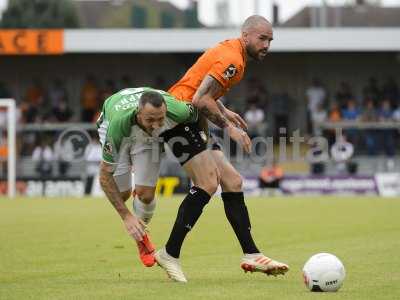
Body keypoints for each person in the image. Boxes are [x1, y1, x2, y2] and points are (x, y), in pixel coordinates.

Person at [154, 15, 289, 283]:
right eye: (262, 38)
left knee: (233, 181)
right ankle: (169, 253)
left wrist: (226, 110)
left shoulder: (232, 53)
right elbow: (199, 98)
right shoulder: (233, 59)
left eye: (270, 40)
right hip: (177, 118)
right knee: (207, 182)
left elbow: (203, 88)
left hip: (191, 117)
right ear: (246, 35)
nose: (267, 45)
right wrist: (229, 127)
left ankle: (251, 253)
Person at [96, 87, 198, 267]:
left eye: (161, 119)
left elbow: (202, 108)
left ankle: (142, 240)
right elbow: (104, 176)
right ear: (138, 113)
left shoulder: (179, 110)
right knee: (121, 195)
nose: (157, 125)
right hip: (116, 128)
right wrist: (126, 216)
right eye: (151, 119)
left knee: (146, 195)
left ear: (166, 110)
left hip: (147, 139)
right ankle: (132, 199)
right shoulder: (118, 125)